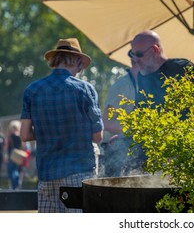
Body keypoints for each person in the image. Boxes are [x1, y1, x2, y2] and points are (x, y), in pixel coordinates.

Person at [20, 38, 103, 213]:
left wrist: (45, 131)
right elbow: (98, 136)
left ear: (56, 59)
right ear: (78, 61)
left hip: (46, 175)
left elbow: (25, 135)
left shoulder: (32, 90)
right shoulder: (85, 90)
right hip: (78, 172)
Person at [130, 30, 194, 107]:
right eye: (132, 54)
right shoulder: (142, 75)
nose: (136, 60)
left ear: (155, 50)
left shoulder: (181, 66)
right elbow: (141, 110)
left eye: (139, 54)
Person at [100, 58, 146, 177]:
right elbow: (106, 122)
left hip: (132, 154)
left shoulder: (140, 85)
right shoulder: (123, 86)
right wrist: (135, 131)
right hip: (115, 154)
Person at [4, 120, 26, 189]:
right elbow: (23, 146)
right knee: (17, 170)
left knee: (11, 171)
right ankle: (17, 184)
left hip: (11, 155)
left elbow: (6, 146)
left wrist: (6, 156)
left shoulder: (9, 136)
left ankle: (12, 186)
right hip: (18, 156)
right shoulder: (20, 136)